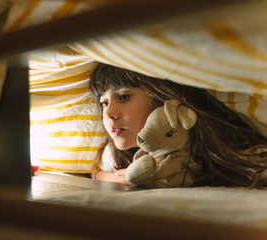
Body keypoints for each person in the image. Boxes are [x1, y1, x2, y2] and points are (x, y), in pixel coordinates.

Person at [88, 63, 267, 187]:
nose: (109, 113)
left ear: (161, 98)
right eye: (104, 103)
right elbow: (96, 172)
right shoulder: (115, 156)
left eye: (124, 97)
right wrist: (108, 178)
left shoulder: (217, 146)